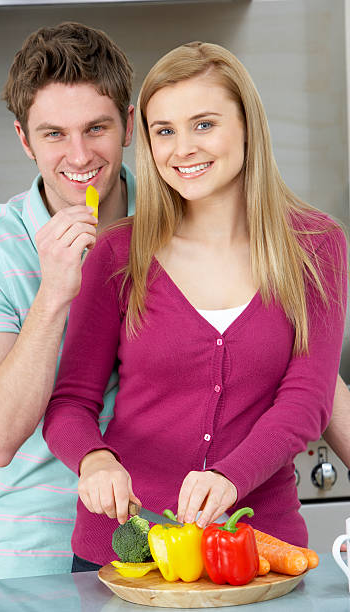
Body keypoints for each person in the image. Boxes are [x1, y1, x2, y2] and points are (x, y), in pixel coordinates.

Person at [43, 41, 348, 570]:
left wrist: (231, 476)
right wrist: (93, 460)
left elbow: (307, 401)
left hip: (256, 553)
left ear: (247, 126)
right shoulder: (118, 253)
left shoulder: (316, 245)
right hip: (126, 556)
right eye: (164, 131)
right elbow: (70, 401)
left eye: (203, 124)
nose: (182, 148)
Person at [0, 22, 135, 580]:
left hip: (163, 555)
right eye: (53, 134)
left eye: (96, 127)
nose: (79, 155)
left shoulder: (179, 226)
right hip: (28, 567)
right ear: (24, 139)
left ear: (128, 124)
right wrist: (53, 293)